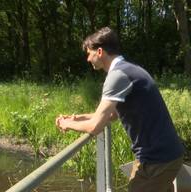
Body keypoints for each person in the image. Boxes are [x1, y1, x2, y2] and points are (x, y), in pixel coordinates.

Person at [55, 27, 184, 192]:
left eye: (89, 53)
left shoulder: (118, 75)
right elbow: (113, 115)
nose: (88, 59)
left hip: (158, 159)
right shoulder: (129, 69)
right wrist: (78, 118)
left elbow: (95, 126)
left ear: (99, 51)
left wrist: (66, 124)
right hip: (164, 155)